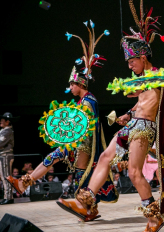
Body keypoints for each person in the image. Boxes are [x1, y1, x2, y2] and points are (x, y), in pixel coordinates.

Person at [57, 2, 164, 232]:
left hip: (145, 128)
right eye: (128, 62)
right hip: (134, 124)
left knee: (134, 173)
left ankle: (154, 217)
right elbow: (138, 100)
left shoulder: (157, 76)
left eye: (132, 61)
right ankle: (84, 202)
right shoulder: (143, 81)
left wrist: (135, 88)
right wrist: (127, 115)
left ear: (144, 57)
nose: (130, 65)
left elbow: (146, 94)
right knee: (107, 157)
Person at [6, 20, 117, 221]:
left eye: (71, 84)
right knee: (72, 172)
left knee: (75, 173)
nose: (69, 88)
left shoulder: (88, 101)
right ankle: (25, 184)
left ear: (79, 83)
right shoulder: (85, 100)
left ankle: (25, 184)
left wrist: (70, 139)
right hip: (79, 144)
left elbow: (83, 126)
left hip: (84, 146)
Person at [0, 112, 19, 205]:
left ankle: (9, 197)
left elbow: (0, 143)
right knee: (4, 176)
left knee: (6, 176)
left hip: (6, 155)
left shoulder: (7, 131)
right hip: (4, 155)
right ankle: (6, 196)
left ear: (7, 122)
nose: (0, 121)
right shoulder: (4, 130)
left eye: (2, 120)